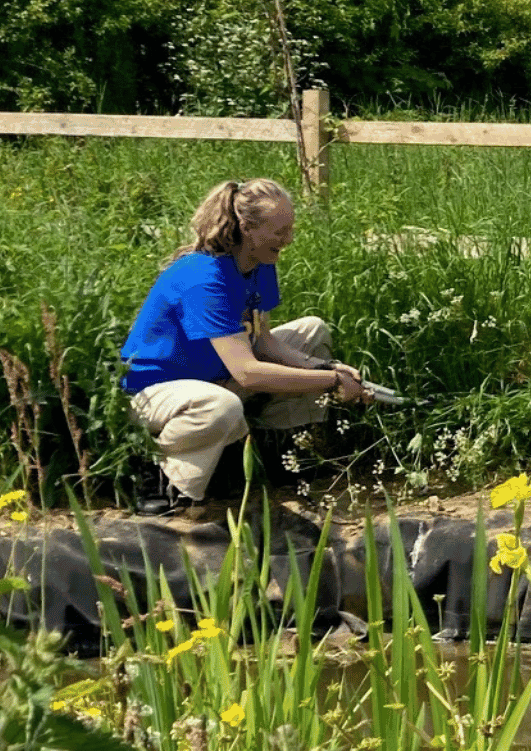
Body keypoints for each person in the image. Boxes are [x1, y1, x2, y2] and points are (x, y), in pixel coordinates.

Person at [120, 178, 374, 514]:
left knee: (312, 332)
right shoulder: (205, 278)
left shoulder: (259, 264)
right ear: (246, 228)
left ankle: (279, 455)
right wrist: (331, 383)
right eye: (280, 231)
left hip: (214, 374)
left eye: (291, 228)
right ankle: (163, 481)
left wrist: (327, 368)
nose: (289, 239)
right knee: (220, 407)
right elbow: (249, 373)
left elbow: (264, 341)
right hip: (155, 391)